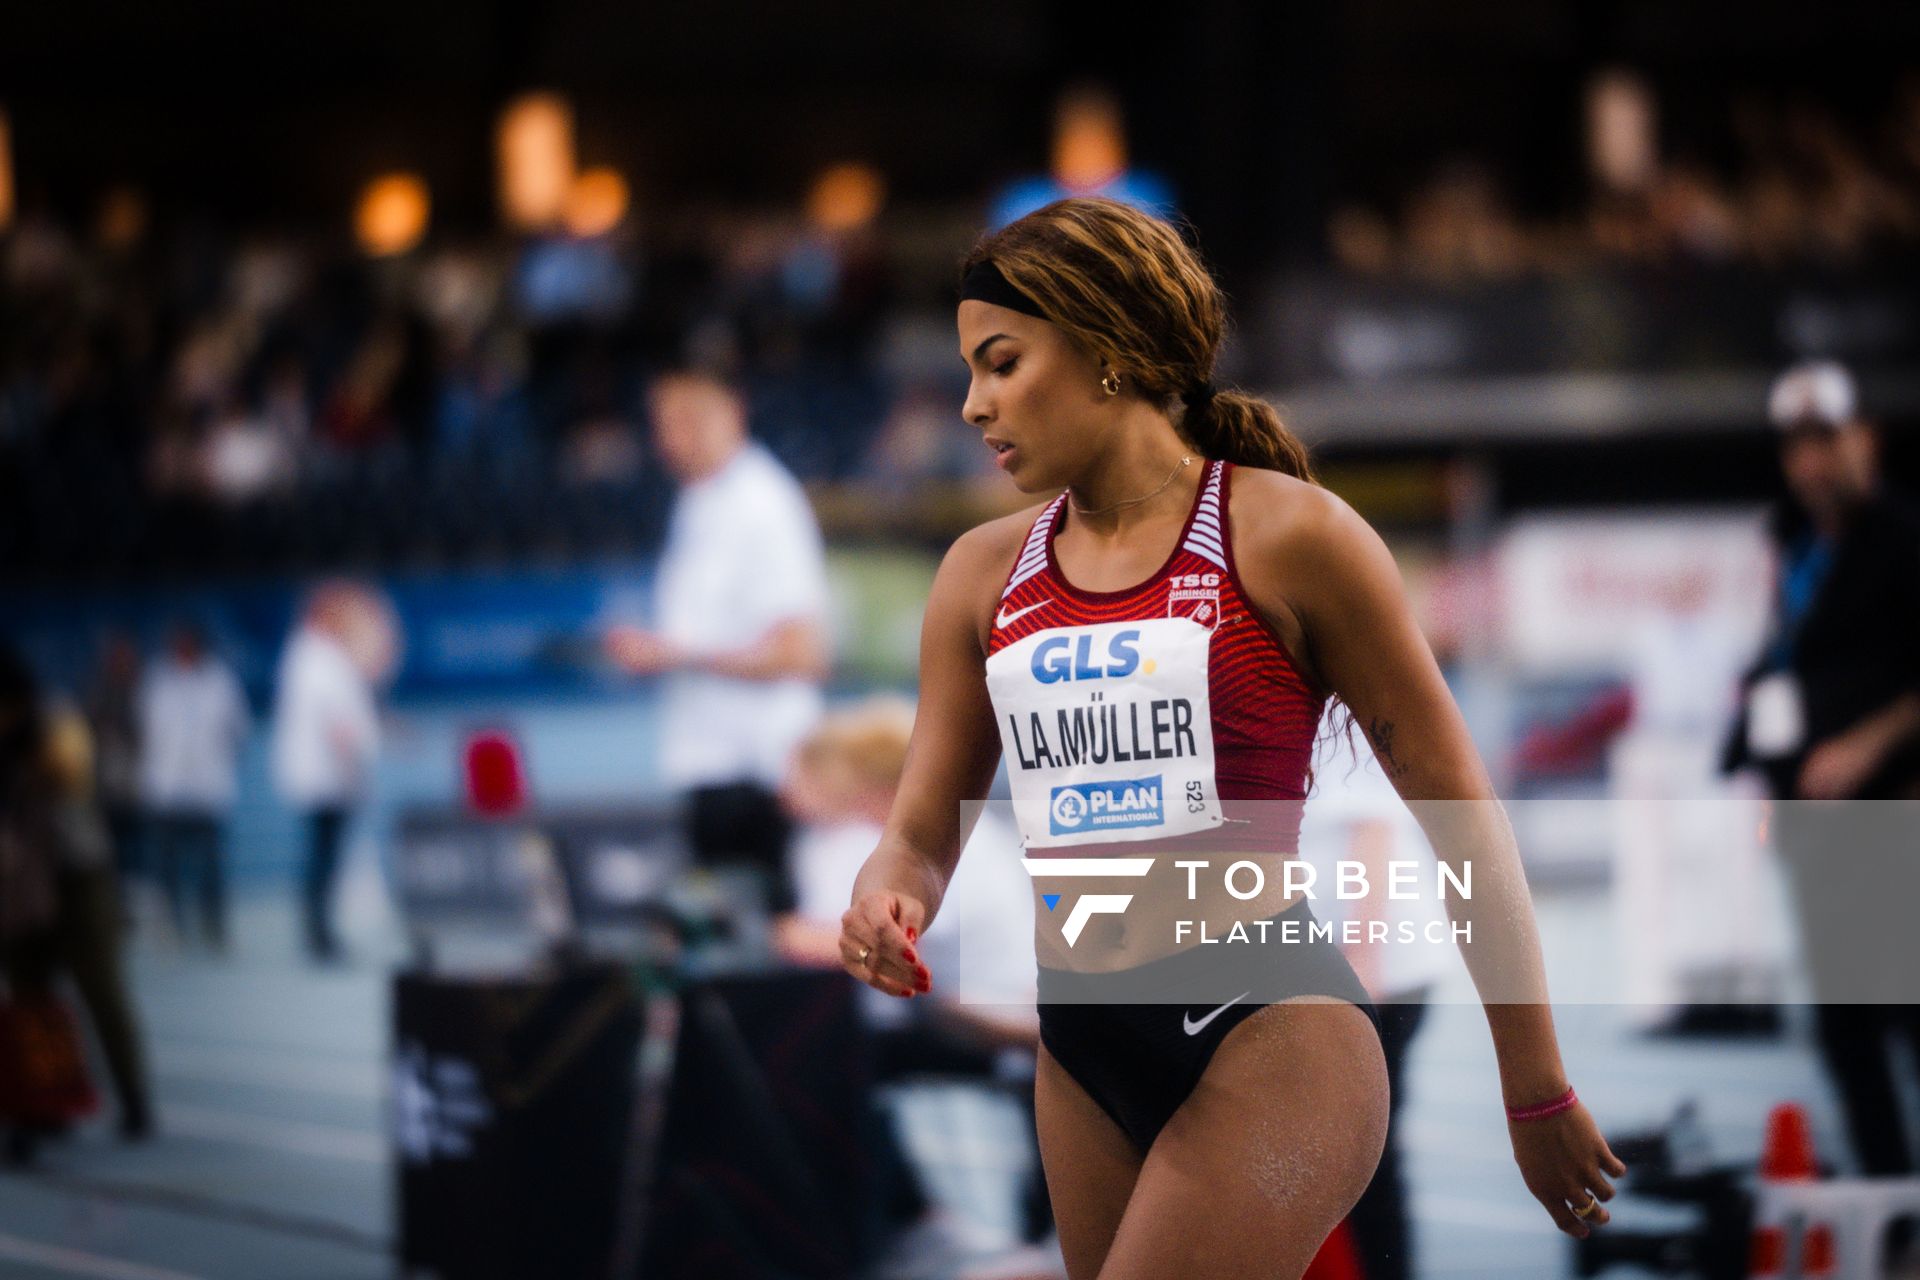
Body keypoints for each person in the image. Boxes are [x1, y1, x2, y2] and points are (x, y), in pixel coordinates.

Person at [836, 197, 1623, 1278]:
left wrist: (1537, 1084)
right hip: (1082, 1054)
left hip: (1274, 1032)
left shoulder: (1290, 535)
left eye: (1001, 362)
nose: (972, 404)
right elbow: (920, 829)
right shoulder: (981, 573)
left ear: (1107, 350)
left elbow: (1463, 819)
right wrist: (894, 893)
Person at [1720, 360, 1920, 1176]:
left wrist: (1867, 744)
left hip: (1895, 821)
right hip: (1821, 836)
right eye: (1797, 444)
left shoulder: (1905, 540)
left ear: (1865, 438)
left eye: (1827, 440)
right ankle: (1893, 1207)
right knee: (1846, 1029)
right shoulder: (1791, 540)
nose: (1811, 462)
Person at [603, 366, 831, 913]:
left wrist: (673, 655)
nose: (672, 438)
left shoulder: (763, 506)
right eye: (664, 423)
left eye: (688, 419)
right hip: (715, 766)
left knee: (760, 952)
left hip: (757, 772)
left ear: (733, 411)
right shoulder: (699, 502)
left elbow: (802, 653)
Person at [272, 582, 391, 962]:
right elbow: (336, 719)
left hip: (331, 773)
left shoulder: (321, 655)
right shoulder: (315, 657)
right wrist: (355, 747)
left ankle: (320, 931)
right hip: (326, 774)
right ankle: (318, 934)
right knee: (322, 858)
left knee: (325, 857)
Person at [138, 620, 250, 950]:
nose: (183, 651)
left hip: (208, 788)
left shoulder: (220, 680)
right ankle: (173, 927)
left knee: (211, 868)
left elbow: (237, 730)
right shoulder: (157, 680)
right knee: (167, 866)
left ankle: (213, 928)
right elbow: (145, 730)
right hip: (167, 788)